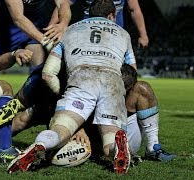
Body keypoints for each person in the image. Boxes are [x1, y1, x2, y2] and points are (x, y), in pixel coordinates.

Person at [7, 0, 136, 174]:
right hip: (111, 80)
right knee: (108, 144)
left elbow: (47, 73)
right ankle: (116, 147)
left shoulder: (69, 31)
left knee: (60, 130)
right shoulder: (123, 34)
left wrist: (61, 92)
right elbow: (131, 72)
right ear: (112, 15)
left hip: (80, 80)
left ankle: (41, 144)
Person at [0, 0, 71, 82]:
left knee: (42, 72)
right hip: (3, 30)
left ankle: (35, 102)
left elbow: (63, 3)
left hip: (35, 28)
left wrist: (63, 24)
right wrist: (47, 42)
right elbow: (18, 18)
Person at [69, 0, 148, 47]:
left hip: (115, 37)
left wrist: (143, 35)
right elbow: (63, 4)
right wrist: (59, 25)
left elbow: (134, 9)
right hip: (87, 35)